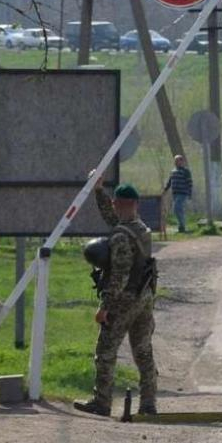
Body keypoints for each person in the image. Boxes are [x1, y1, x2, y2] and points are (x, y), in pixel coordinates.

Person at [74, 173, 158, 417]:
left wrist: (104, 307)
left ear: (117, 204)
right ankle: (148, 404)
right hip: (145, 298)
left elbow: (118, 276)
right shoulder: (140, 228)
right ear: (135, 204)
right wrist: (99, 191)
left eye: (114, 204)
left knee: (106, 352)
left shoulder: (121, 237)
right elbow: (115, 219)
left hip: (124, 301)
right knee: (143, 352)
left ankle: (102, 402)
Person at [163, 155, 193, 233]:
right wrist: (165, 190)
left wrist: (190, 193)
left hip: (183, 193)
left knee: (177, 208)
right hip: (175, 194)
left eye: (178, 160)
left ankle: (182, 226)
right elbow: (170, 182)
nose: (176, 162)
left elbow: (189, 183)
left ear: (182, 162)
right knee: (179, 210)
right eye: (175, 161)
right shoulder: (173, 171)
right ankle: (181, 226)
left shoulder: (186, 171)